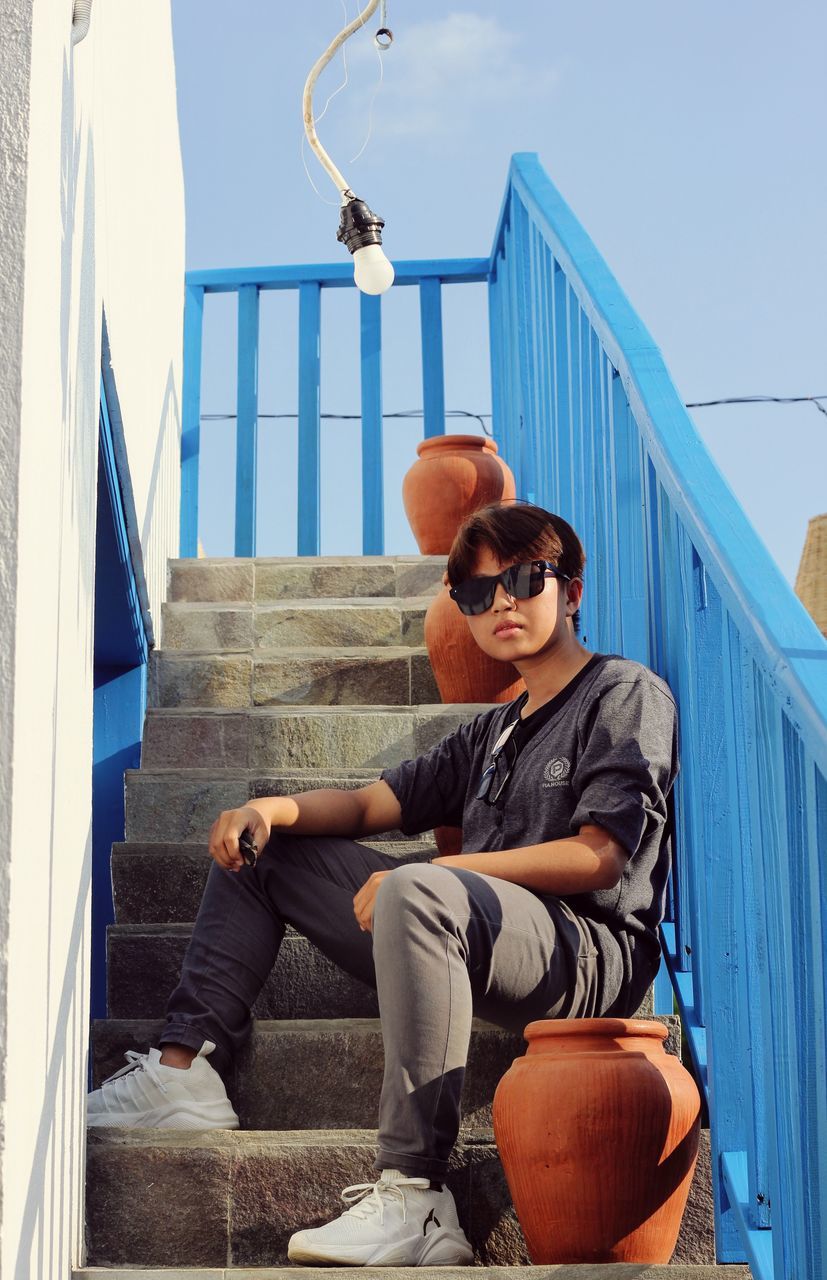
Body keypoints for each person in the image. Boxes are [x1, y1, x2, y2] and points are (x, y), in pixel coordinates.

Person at [87, 500, 678, 1268]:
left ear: (569, 590)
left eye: (525, 580)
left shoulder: (622, 693)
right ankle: (181, 1069)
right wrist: (269, 807)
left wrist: (442, 872)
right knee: (265, 848)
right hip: (475, 936)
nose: (500, 602)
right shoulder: (490, 733)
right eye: (475, 593)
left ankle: (416, 1196)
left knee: (417, 888)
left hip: (587, 954)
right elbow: (372, 805)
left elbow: (599, 857)